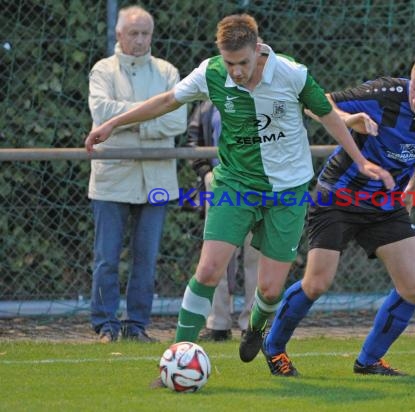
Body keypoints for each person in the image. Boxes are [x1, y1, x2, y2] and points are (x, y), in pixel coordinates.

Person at [85, 13, 394, 362]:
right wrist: (112, 123)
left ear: (258, 48)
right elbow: (168, 100)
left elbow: (326, 113)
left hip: (288, 189)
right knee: (208, 270)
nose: (236, 71)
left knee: (270, 289)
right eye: (230, 63)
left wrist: (361, 160)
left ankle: (256, 328)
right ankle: (177, 357)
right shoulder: (212, 72)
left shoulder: (291, 73)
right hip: (236, 183)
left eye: (243, 62)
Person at [262, 46, 415, 376]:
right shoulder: (384, 93)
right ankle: (273, 347)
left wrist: (413, 184)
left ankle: (369, 360)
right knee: (316, 284)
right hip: (338, 196)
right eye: (414, 87)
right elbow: (317, 103)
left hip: (385, 202)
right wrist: (348, 119)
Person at [87, 5, 187, 343]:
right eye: (134, 33)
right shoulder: (102, 71)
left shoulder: (167, 71)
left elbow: (179, 121)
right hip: (111, 180)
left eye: (146, 33)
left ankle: (136, 326)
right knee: (106, 259)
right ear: (119, 34)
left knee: (146, 259)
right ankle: (105, 325)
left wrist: (123, 123)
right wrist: (151, 116)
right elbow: (101, 113)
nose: (140, 40)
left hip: (157, 181)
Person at [186, 99, 259, 341]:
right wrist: (206, 172)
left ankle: (253, 324)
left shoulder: (272, 96)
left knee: (256, 257)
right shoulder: (209, 103)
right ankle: (217, 323)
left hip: (259, 187)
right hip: (221, 188)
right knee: (215, 260)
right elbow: (193, 140)